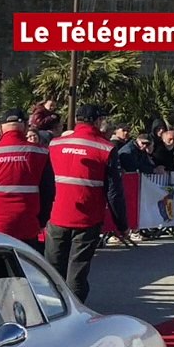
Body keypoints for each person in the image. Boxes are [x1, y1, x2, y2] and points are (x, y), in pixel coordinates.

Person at [45, 104, 126, 303]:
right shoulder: (105, 148)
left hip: (57, 216)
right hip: (87, 219)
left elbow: (46, 182)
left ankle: (50, 312)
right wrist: (121, 223)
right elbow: (114, 191)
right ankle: (74, 314)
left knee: (52, 271)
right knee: (77, 272)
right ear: (98, 121)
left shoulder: (55, 144)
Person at [0, 108, 54, 251]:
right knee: (26, 270)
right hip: (27, 226)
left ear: (1, 129)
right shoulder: (41, 153)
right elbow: (49, 191)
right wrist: (41, 221)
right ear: (25, 127)